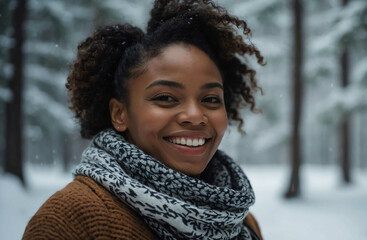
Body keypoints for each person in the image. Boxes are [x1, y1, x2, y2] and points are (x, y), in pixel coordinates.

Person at [23, 0, 265, 239]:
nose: (195, 116)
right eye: (166, 97)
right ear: (120, 114)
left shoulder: (240, 221)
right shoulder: (70, 220)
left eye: (211, 100)